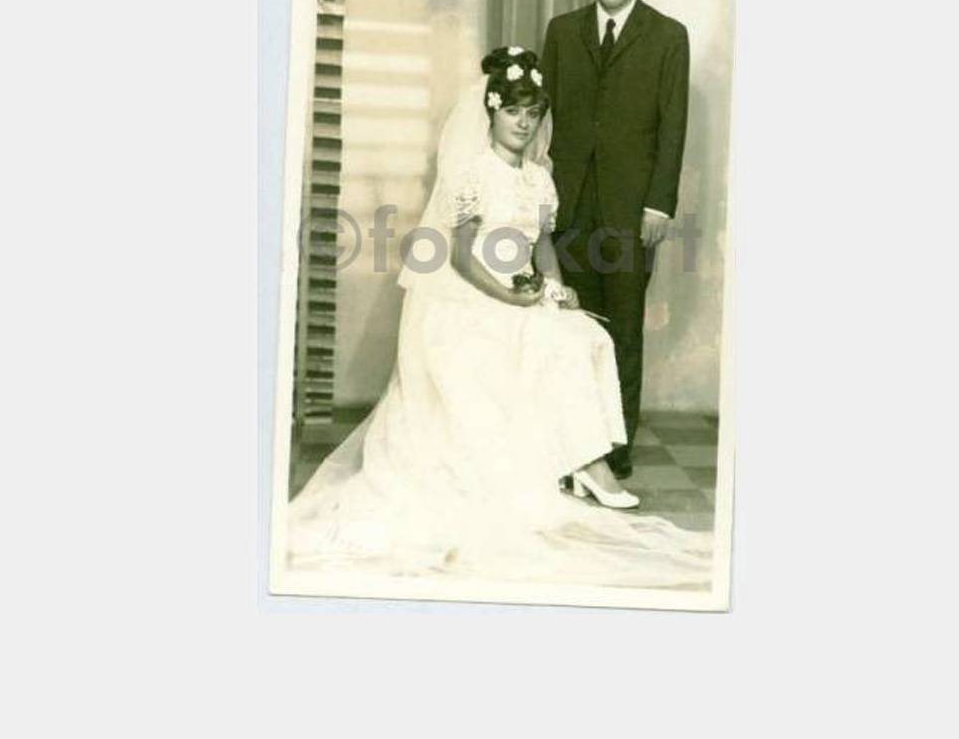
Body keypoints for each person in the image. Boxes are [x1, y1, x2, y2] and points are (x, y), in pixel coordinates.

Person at [286, 47, 710, 588]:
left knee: (585, 336)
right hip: (469, 294)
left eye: (532, 113)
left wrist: (556, 286)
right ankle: (584, 466)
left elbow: (542, 245)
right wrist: (507, 297)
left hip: (519, 288)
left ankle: (582, 459)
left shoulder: (539, 178)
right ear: (492, 111)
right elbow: (461, 256)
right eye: (513, 111)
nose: (523, 123)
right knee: (531, 344)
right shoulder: (472, 174)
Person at [540, 0, 690, 480]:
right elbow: (544, 120)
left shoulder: (668, 36)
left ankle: (615, 450)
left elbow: (673, 126)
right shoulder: (563, 31)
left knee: (622, 331)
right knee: (569, 330)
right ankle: (570, 450)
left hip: (631, 211)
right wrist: (539, 199)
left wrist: (659, 205)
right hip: (570, 205)